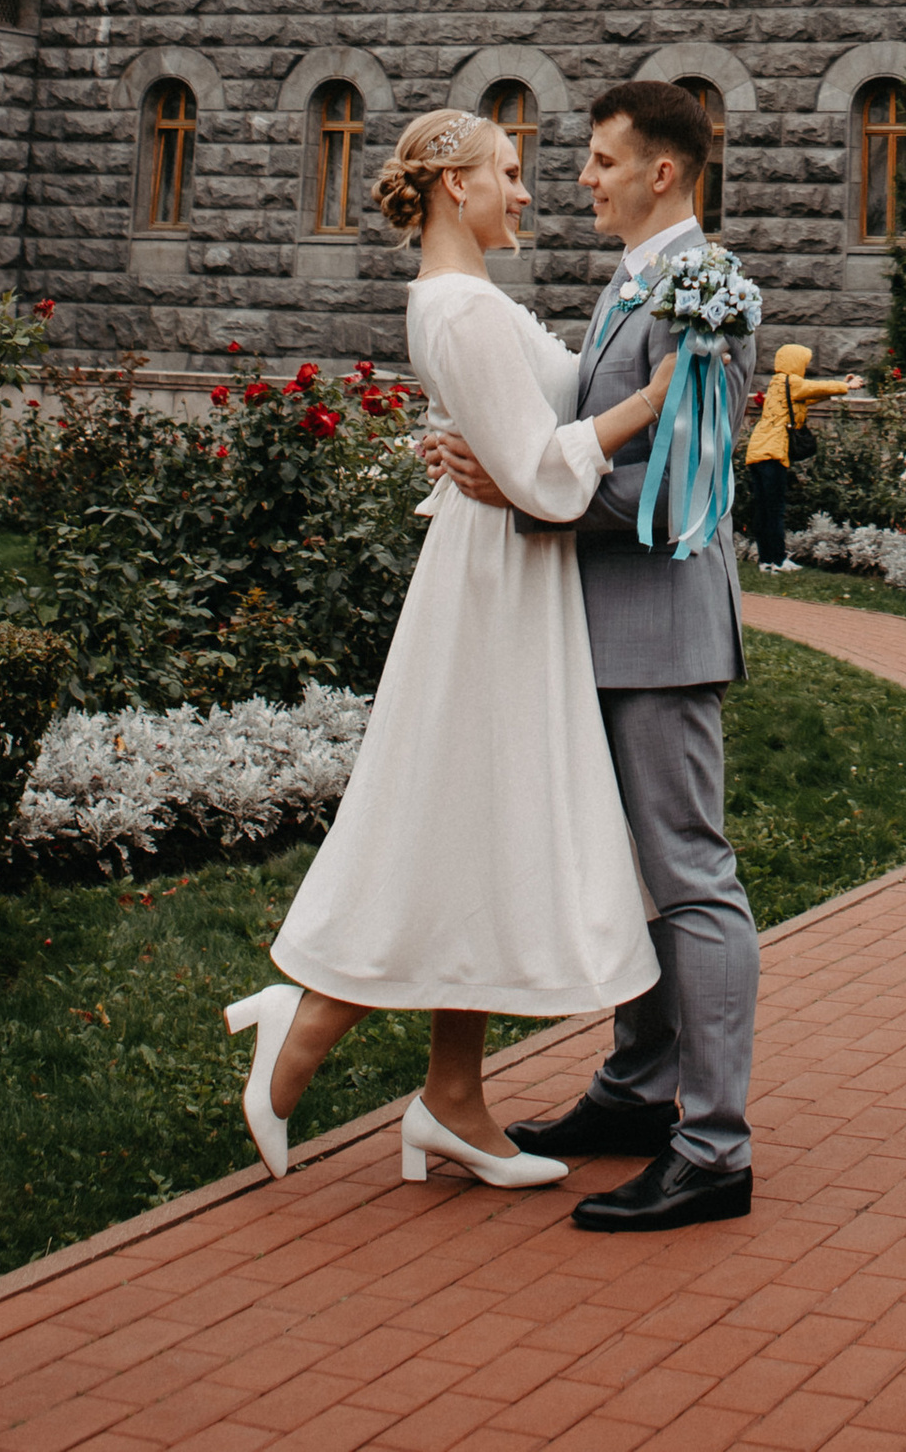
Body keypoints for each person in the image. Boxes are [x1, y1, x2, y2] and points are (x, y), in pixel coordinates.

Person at [220, 109, 673, 1194]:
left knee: (481, 820)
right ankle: (312, 1015)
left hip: (502, 579)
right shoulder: (459, 307)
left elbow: (548, 402)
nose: (527, 193)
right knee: (453, 811)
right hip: (491, 587)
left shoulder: (474, 301)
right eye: (509, 176)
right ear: (450, 185)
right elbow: (535, 468)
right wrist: (650, 405)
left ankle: (455, 1100)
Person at [431, 79, 759, 1231]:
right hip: (606, 629)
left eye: (603, 160)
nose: (581, 177)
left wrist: (532, 503)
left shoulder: (703, 289)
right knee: (641, 881)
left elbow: (688, 485)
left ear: (661, 173)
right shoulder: (637, 281)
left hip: (660, 632)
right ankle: (633, 1094)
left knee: (690, 881)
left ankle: (714, 1149)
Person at [742, 342, 855, 571]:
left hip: (757, 454)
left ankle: (766, 561)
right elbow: (812, 388)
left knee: (763, 510)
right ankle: (778, 559)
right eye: (804, 363)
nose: (805, 367)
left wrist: (841, 385)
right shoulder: (791, 382)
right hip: (772, 454)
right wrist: (848, 386)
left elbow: (810, 395)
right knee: (775, 510)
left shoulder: (779, 384)